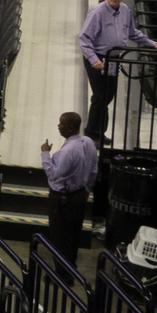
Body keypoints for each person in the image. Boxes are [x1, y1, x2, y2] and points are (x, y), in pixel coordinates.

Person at [80, 0, 157, 141]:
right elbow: (84, 39)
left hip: (114, 58)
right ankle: (93, 132)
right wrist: (94, 60)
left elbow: (132, 32)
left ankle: (97, 130)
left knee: (108, 95)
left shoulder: (125, 10)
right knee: (100, 95)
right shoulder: (97, 12)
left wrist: (149, 42)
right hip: (98, 57)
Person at [41, 111, 97, 258]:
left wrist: (45, 154)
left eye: (61, 123)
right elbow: (94, 171)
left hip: (62, 200)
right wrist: (87, 189)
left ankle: (61, 276)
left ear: (71, 127)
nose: (58, 126)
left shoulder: (67, 151)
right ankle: (69, 270)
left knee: (59, 238)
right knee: (73, 236)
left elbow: (53, 175)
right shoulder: (89, 143)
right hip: (79, 195)